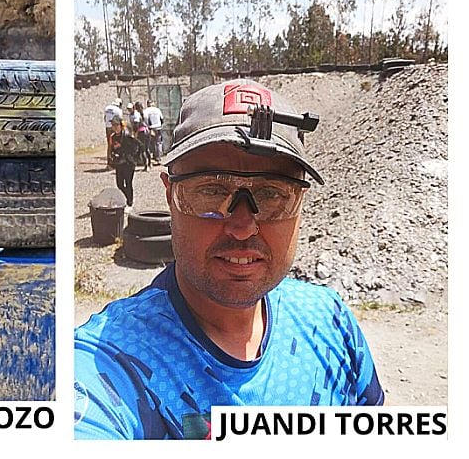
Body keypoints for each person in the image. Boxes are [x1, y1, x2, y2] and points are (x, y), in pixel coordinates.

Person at [75, 79, 382, 439]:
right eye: (211, 191)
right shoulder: (113, 362)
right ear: (170, 196)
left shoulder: (330, 321)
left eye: (272, 194)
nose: (241, 227)